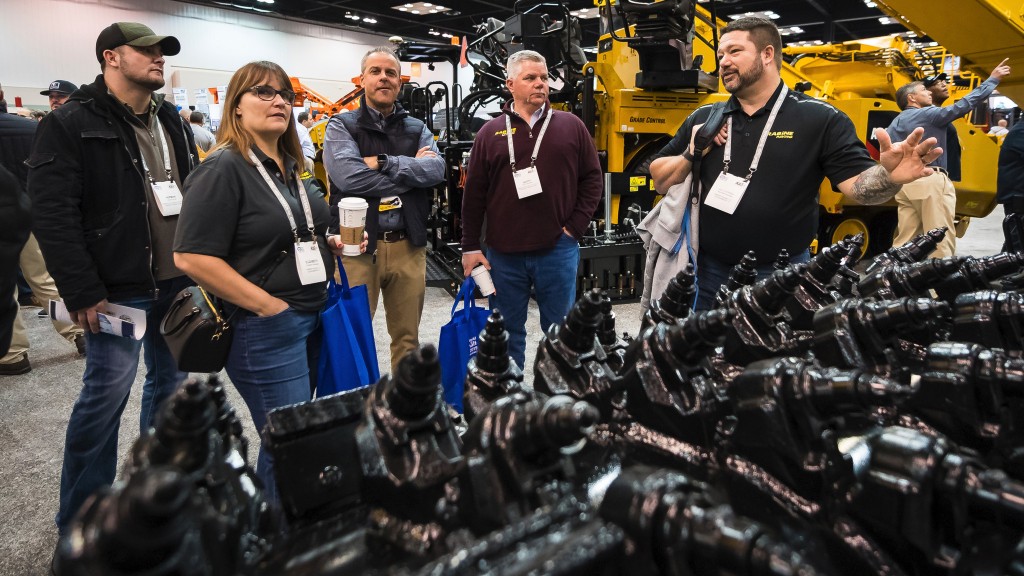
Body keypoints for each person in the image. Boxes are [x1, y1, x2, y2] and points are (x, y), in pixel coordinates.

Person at [27, 22, 197, 535]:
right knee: (104, 401)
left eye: (162, 52)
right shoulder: (71, 121)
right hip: (116, 288)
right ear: (111, 58)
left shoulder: (170, 119)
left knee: (171, 395)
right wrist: (80, 290)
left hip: (177, 281)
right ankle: (80, 526)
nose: (158, 59)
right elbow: (52, 212)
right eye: (145, 51)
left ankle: (154, 502)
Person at [646, 16, 942, 311]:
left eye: (735, 52)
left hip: (781, 276)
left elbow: (859, 188)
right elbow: (659, 177)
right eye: (721, 54)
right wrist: (692, 151)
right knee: (703, 354)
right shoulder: (706, 117)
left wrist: (890, 176)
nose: (723, 61)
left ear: (767, 54)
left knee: (775, 356)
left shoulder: (820, 118)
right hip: (707, 272)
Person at [174, 60, 353, 500]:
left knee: (291, 436)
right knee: (289, 441)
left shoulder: (292, 164)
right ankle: (274, 541)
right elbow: (191, 255)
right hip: (267, 327)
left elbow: (286, 227)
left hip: (312, 314)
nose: (279, 102)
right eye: (263, 93)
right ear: (236, 107)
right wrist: (265, 305)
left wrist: (326, 239)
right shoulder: (223, 169)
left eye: (284, 96)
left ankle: (277, 528)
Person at [460, 49, 603, 369]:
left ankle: (558, 399)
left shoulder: (572, 126)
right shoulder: (489, 133)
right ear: (510, 84)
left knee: (560, 332)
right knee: (507, 333)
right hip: (503, 254)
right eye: (530, 78)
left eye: (544, 77)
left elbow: (593, 180)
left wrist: (573, 230)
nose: (541, 83)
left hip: (557, 249)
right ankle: (512, 403)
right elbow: (474, 194)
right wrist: (470, 245)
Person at [323, 46, 445, 372]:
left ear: (399, 83)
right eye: (375, 71)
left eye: (390, 73)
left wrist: (383, 163)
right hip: (358, 247)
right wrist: (410, 177)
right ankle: (356, 410)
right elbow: (348, 177)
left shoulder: (416, 127)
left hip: (409, 246)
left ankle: (403, 410)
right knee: (353, 338)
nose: (383, 78)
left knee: (407, 340)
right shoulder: (342, 126)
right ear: (362, 79)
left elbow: (436, 171)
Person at [886, 59, 1011, 258]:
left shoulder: (896, 121)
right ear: (912, 98)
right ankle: (939, 287)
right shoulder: (929, 114)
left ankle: (892, 281)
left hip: (905, 185)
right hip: (930, 179)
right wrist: (992, 80)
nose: (928, 92)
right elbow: (964, 104)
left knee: (906, 240)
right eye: (923, 90)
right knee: (939, 237)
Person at [0, 87, 85, 375]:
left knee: (5, 290)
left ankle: (12, 355)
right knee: (45, 281)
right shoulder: (30, 128)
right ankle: (78, 332)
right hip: (30, 214)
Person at [998, 118, 1024, 252]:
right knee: (1017, 247)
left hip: (1018, 196)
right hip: (1018, 199)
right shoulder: (1021, 131)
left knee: (1015, 245)